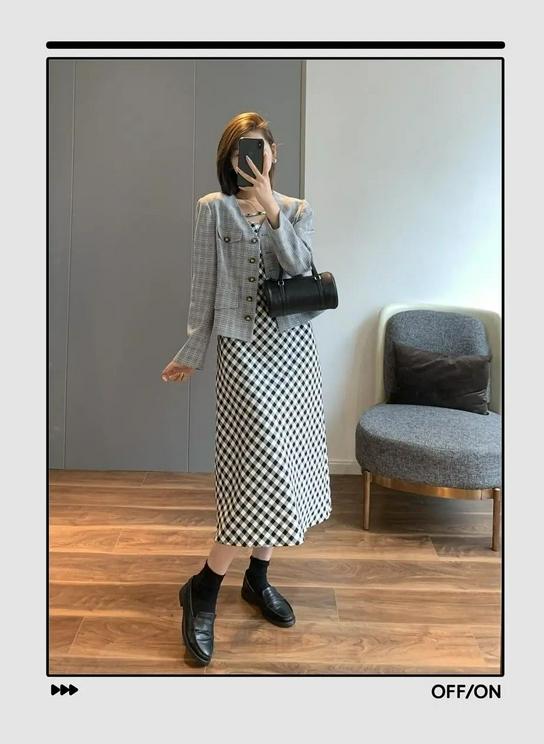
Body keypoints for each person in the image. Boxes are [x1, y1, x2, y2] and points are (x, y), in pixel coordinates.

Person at [161, 112, 332, 666]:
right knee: (258, 470)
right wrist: (192, 351)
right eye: (241, 151)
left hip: (293, 355)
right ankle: (204, 587)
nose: (251, 159)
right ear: (229, 157)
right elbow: (203, 286)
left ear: (274, 153)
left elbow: (301, 267)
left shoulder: (298, 210)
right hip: (242, 352)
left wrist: (272, 206)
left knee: (285, 469)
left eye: (258, 149)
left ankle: (257, 577)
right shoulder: (213, 210)